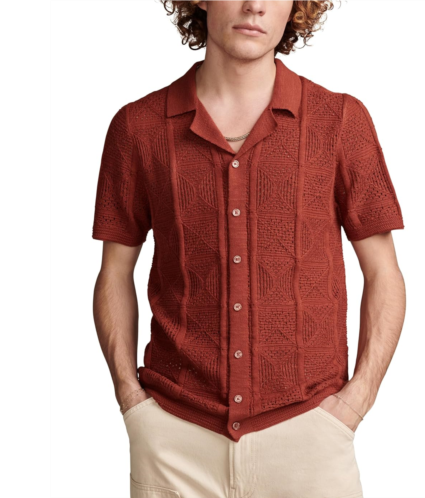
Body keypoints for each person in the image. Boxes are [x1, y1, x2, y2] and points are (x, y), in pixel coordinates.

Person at [92, 1, 406, 497]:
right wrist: (130, 399)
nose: (255, 5)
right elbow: (114, 271)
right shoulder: (138, 128)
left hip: (308, 439)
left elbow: (383, 272)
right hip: (174, 439)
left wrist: (354, 404)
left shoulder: (340, 121)